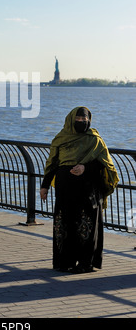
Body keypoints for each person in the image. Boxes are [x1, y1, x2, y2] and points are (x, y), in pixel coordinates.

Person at [40, 106, 119, 274]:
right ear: (71, 120)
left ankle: (86, 263)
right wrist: (44, 186)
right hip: (65, 187)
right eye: (79, 120)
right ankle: (65, 261)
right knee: (65, 223)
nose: (83, 123)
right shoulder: (60, 138)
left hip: (88, 187)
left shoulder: (94, 139)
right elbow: (52, 163)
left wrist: (85, 167)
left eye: (85, 120)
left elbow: (105, 164)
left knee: (86, 224)